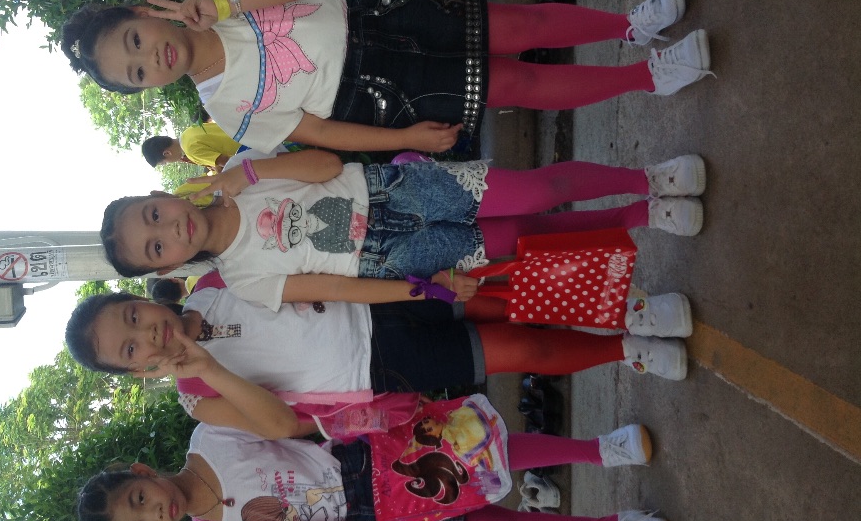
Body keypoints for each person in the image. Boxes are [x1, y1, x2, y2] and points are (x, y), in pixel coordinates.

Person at [63, 0, 711, 154]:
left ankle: (632, 26)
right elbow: (320, 132)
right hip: (378, 93)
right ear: (147, 89)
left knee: (525, 25)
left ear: (144, 13)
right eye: (137, 72)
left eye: (135, 40)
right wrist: (403, 139)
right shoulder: (228, 113)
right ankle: (649, 76)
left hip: (380, 19)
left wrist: (223, 4)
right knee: (519, 81)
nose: (151, 58)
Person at [97, 147, 706, 310]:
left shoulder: (244, 172)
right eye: (157, 246)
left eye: (155, 216)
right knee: (526, 236)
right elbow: (338, 289)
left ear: (161, 195)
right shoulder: (243, 280)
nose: (170, 229)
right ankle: (641, 215)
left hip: (395, 188)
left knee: (539, 190)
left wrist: (249, 173)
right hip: (394, 257)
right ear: (166, 267)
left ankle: (646, 177)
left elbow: (326, 166)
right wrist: (427, 289)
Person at [75, 408, 677, 521]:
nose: (154, 514)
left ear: (143, 474)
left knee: (483, 450)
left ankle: (603, 450)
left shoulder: (209, 435)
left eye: (138, 500)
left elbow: (287, 418)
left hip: (361, 465)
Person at [63, 287, 690, 436]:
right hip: (376, 367)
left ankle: (627, 309)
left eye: (132, 316)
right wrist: (207, 366)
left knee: (501, 297)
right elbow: (282, 425)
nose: (146, 332)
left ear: (140, 298)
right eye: (130, 347)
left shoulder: (211, 282)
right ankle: (626, 348)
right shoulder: (200, 400)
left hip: (380, 297)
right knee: (525, 349)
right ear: (136, 370)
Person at [142, 123, 242, 171]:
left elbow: (227, 161)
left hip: (245, 148)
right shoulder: (189, 131)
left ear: (167, 153)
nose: (169, 163)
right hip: (243, 133)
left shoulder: (190, 151)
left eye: (164, 163)